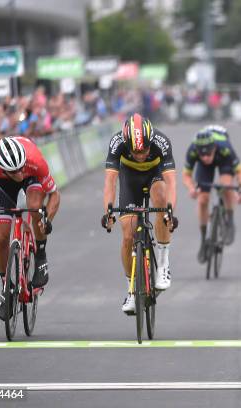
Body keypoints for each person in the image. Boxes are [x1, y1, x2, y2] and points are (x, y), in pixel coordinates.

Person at [0, 136, 60, 320]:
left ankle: (41, 255)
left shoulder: (35, 159)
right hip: (3, 183)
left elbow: (54, 195)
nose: (19, 173)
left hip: (33, 177)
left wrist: (47, 219)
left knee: (35, 208)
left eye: (21, 168)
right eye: (15, 171)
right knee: (1, 238)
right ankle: (7, 286)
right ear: (1, 167)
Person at [101, 113, 177, 314]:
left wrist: (170, 212)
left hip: (155, 175)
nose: (141, 154)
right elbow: (110, 181)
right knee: (128, 234)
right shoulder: (117, 142)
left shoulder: (162, 142)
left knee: (161, 200)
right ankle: (132, 290)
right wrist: (108, 212)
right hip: (130, 179)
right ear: (127, 144)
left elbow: (172, 183)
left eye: (144, 149)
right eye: (135, 151)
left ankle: (163, 265)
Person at [182, 126, 241, 263]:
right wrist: (191, 188)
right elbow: (186, 175)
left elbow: (240, 171)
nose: (205, 157)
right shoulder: (193, 149)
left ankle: (229, 220)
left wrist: (239, 189)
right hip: (205, 169)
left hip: (224, 161)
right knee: (202, 199)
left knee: (226, 185)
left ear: (214, 148)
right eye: (202, 155)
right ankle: (204, 238)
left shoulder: (224, 147)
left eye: (208, 154)